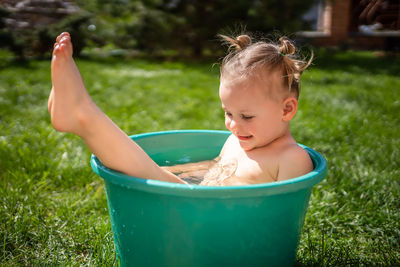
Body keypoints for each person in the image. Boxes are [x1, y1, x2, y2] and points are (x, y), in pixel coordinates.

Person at [48, 32, 313, 186]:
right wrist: (175, 171)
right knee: (149, 169)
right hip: (201, 204)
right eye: (228, 113)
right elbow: (215, 168)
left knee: (146, 173)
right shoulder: (238, 141)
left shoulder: (291, 158)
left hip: (222, 225)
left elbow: (281, 214)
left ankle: (83, 115)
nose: (233, 125)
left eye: (246, 116)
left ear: (287, 110)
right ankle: (79, 113)